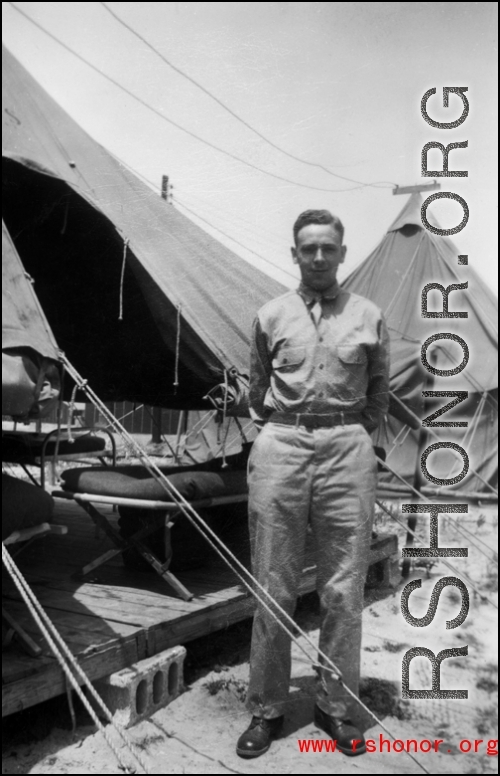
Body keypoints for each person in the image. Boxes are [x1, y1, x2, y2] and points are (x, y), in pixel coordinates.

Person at [236, 209, 390, 758]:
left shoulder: (369, 315)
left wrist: (345, 435)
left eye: (329, 248)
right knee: (274, 587)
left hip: (348, 448)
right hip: (281, 445)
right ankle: (266, 709)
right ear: (295, 253)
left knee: (344, 590)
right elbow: (256, 391)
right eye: (309, 249)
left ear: (342, 253)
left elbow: (378, 394)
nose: (319, 257)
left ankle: (336, 706)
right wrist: (287, 431)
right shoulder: (270, 314)